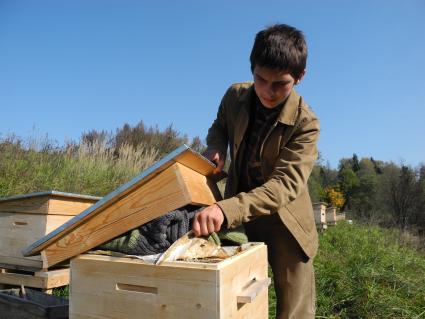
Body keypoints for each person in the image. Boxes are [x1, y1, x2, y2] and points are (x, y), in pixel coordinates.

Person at [192, 24, 320, 319]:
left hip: (285, 225)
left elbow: (285, 186)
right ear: (252, 70)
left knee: (295, 310)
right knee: (237, 299)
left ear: (300, 77)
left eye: (280, 84)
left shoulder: (306, 124)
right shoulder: (234, 95)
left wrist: (225, 210)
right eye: (261, 80)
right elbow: (219, 126)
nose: (268, 91)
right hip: (238, 216)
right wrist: (215, 147)